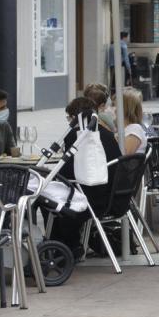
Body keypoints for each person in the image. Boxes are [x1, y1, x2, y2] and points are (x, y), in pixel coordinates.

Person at [51, 97, 122, 257]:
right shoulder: (108, 135)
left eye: (69, 118)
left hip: (91, 200)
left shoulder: (77, 138)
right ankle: (64, 245)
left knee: (49, 201)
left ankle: (64, 246)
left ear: (76, 119)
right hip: (114, 197)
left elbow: (67, 175)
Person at [118, 87, 147, 155]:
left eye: (114, 104)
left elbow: (123, 155)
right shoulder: (121, 127)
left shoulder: (135, 129)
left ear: (124, 108)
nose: (110, 108)